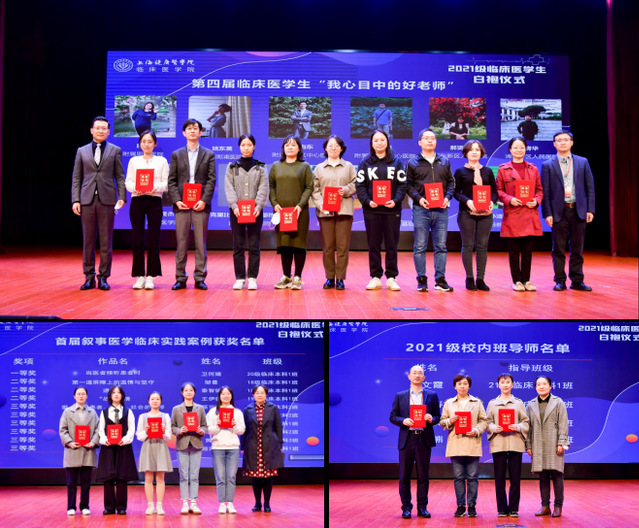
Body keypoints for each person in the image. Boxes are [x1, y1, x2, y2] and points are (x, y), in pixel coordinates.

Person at [71, 116, 126, 291]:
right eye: (98, 128)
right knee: (88, 240)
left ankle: (103, 277)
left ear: (109, 132)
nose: (100, 131)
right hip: (86, 200)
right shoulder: (82, 151)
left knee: (106, 241)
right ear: (91, 130)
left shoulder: (115, 150)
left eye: (104, 128)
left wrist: (122, 196)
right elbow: (77, 177)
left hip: (107, 200)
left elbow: (120, 176)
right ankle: (89, 277)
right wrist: (76, 199)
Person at [541, 131, 595, 292]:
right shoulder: (547, 165)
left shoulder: (582, 162)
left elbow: (590, 188)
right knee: (558, 249)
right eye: (559, 140)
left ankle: (577, 281)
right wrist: (547, 213)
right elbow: (546, 192)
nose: (563, 143)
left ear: (572, 142)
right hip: (559, 212)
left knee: (577, 249)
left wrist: (590, 209)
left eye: (566, 140)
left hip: (578, 210)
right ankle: (560, 281)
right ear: (554, 144)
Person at [167, 119, 216, 291]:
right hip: (182, 205)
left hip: (200, 205)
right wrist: (176, 200)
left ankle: (200, 277)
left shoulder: (208, 154)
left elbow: (211, 180)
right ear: (184, 133)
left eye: (195, 128)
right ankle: (180, 278)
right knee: (181, 243)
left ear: (201, 132)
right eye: (189, 128)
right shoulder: (176, 154)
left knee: (200, 243)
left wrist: (204, 201)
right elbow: (171, 180)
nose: (193, 131)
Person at [356, 129, 407, 291]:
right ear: (371, 144)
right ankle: (375, 277)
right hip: (372, 210)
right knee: (374, 245)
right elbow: (360, 185)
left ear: (387, 142)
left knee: (392, 245)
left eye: (382, 140)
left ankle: (391, 277)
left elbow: (402, 185)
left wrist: (396, 200)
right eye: (376, 140)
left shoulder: (397, 162)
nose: (379, 143)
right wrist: (367, 201)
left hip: (392, 210)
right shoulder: (365, 163)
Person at [389, 365, 441, 519]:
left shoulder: (432, 395)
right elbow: (392, 416)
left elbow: (438, 417)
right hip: (407, 439)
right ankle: (406, 507)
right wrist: (403, 420)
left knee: (423, 476)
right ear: (409, 376)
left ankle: (422, 507)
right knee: (404, 476)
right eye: (414, 373)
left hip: (423, 439)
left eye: (420, 373)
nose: (417, 375)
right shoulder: (400, 396)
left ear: (424, 377)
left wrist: (431, 419)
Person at [406, 128, 455, 293]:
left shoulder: (444, 161)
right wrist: (419, 198)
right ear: (420, 142)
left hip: (441, 209)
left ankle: (440, 280)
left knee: (441, 246)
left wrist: (447, 198)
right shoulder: (412, 162)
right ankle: (421, 279)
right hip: (421, 209)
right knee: (420, 246)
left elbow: (451, 182)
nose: (430, 141)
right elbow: (408, 185)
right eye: (426, 138)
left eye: (432, 138)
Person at [496, 137, 544, 291]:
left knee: (528, 250)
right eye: (515, 147)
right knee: (514, 250)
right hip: (513, 213)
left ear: (526, 149)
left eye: (521, 147)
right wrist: (509, 199)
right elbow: (498, 191)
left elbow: (539, 190)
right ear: (510, 150)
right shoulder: (503, 169)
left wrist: (536, 201)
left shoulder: (533, 168)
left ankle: (527, 280)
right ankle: (516, 281)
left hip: (529, 213)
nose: (519, 150)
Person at [311, 135, 357, 290]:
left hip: (344, 211)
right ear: (325, 148)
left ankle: (341, 278)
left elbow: (355, 184)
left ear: (341, 148)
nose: (333, 148)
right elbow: (315, 190)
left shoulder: (349, 166)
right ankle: (330, 277)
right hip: (326, 212)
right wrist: (321, 204)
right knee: (328, 247)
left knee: (343, 247)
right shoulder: (319, 168)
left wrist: (345, 190)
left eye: (336, 145)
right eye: (330, 145)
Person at [124, 130, 169, 290]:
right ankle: (139, 276)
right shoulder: (134, 161)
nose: (147, 144)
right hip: (137, 201)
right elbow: (128, 181)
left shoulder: (162, 161)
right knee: (137, 239)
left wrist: (153, 188)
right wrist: (134, 188)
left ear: (155, 144)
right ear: (140, 144)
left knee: (153, 239)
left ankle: (151, 276)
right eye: (144, 141)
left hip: (154, 201)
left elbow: (166, 183)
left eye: (150, 141)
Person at [225, 134, 269, 290]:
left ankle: (252, 278)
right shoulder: (232, 166)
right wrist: (234, 206)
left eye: (249, 145)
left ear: (254, 146)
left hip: (255, 212)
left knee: (254, 245)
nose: (246, 148)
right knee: (238, 245)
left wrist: (258, 206)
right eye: (243, 145)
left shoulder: (260, 167)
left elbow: (263, 188)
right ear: (239, 147)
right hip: (236, 212)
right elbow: (229, 188)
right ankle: (239, 278)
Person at [439, 374, 487, 518]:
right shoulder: (449, 403)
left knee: (472, 477)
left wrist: (476, 430)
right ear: (455, 386)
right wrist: (449, 421)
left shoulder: (477, 402)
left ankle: (471, 506)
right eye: (459, 383)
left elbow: (483, 421)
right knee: (458, 477)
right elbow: (442, 421)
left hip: (472, 443)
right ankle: (460, 506)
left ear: (469, 386)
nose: (462, 386)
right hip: (456, 443)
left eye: (465, 383)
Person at [269, 135, 313, 290]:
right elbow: (271, 187)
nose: (290, 147)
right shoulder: (276, 166)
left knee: (298, 244)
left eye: (293, 145)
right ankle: (286, 277)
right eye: (287, 144)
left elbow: (309, 187)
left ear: (299, 148)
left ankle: (297, 277)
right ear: (283, 148)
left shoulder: (305, 166)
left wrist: (300, 206)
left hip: (300, 212)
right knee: (285, 243)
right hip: (281, 212)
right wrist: (275, 204)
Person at [454, 140, 498, 291]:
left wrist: (492, 202)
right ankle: (469, 278)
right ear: (466, 153)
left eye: (477, 150)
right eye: (471, 150)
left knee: (482, 246)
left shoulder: (487, 171)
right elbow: (456, 192)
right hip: (466, 213)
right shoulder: (460, 171)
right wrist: (467, 201)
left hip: (486, 214)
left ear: (481, 153)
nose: (474, 152)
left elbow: (494, 192)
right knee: (467, 245)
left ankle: (480, 279)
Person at [486, 373, 530, 518]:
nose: (505, 385)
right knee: (499, 478)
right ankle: (502, 508)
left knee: (515, 478)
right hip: (499, 443)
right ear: (498, 385)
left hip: (515, 443)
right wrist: (494, 428)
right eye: (502, 382)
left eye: (508, 382)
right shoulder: (492, 403)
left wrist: (518, 426)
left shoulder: (518, 403)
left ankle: (513, 508)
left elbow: (526, 422)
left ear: (512, 384)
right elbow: (487, 422)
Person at [526, 376, 569, 518]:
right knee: (543, 476)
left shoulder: (558, 402)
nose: (541, 386)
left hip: (554, 443)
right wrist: (528, 445)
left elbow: (563, 424)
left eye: (544, 384)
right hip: (538, 444)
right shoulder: (531, 404)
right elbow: (528, 427)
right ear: (535, 388)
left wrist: (561, 442)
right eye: (538, 384)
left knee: (557, 475)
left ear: (550, 386)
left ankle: (558, 506)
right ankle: (545, 506)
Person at [95, 385, 138, 516]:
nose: (116, 394)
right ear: (110, 396)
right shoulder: (104, 412)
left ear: (122, 396)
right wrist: (104, 440)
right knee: (108, 477)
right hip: (108, 447)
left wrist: (125, 440)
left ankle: (121, 507)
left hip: (123, 447)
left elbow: (131, 429)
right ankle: (109, 507)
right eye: (113, 392)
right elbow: (100, 430)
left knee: (121, 477)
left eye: (119, 393)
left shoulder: (128, 412)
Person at [242, 385, 284, 513]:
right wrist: (243, 446)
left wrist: (279, 444)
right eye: (257, 393)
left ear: (266, 394)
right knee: (255, 477)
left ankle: (267, 504)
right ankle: (257, 503)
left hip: (270, 445)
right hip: (253, 445)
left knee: (267, 477)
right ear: (253, 395)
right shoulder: (248, 409)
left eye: (262, 393)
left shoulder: (273, 408)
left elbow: (278, 427)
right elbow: (244, 430)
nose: (259, 395)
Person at [59, 386, 99, 516]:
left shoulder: (92, 412)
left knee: (86, 483)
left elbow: (98, 430)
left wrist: (92, 442)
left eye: (83, 394)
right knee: (71, 482)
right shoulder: (67, 412)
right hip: (73, 450)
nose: (81, 396)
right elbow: (63, 430)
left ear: (86, 396)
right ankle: (71, 506)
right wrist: (70, 442)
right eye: (78, 394)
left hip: (88, 450)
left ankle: (84, 506)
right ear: (74, 396)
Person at [206, 386, 246, 514]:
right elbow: (208, 430)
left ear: (231, 396)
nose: (225, 396)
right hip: (217, 447)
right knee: (221, 477)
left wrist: (234, 426)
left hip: (233, 447)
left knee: (231, 477)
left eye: (228, 394)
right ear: (219, 396)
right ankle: (222, 503)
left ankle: (230, 503)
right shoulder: (213, 412)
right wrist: (217, 426)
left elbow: (242, 430)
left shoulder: (237, 412)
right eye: (223, 394)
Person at [171, 382, 207, 515]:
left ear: (194, 392)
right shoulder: (176, 409)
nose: (188, 392)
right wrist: (179, 430)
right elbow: (172, 427)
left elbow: (204, 425)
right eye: (186, 390)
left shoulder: (200, 408)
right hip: (182, 444)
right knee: (184, 475)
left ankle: (194, 503)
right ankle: (185, 503)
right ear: (182, 393)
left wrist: (201, 431)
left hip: (196, 443)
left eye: (191, 390)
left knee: (194, 476)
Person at [136, 391, 172, 516]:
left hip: (161, 446)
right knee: (148, 478)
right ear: (148, 401)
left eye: (157, 399)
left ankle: (160, 506)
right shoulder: (143, 417)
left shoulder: (165, 416)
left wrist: (163, 431)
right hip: (148, 446)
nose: (155, 401)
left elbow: (168, 436)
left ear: (161, 401)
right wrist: (146, 432)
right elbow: (139, 436)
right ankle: (150, 506)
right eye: (152, 399)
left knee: (161, 478)